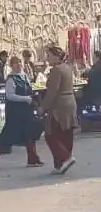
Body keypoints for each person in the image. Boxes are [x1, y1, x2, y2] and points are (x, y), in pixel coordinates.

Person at [0, 56, 42, 168]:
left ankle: (33, 159)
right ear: (12, 66)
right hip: (15, 112)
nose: (19, 65)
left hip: (26, 111)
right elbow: (10, 96)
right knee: (8, 137)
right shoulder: (11, 79)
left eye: (20, 62)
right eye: (16, 63)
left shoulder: (25, 76)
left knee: (30, 134)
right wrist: (26, 99)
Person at [40, 46, 78, 175]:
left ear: (57, 57)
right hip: (70, 102)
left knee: (50, 135)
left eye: (49, 55)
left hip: (59, 106)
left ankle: (65, 158)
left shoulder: (56, 69)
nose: (47, 58)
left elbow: (52, 92)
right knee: (66, 134)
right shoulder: (67, 68)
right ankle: (60, 165)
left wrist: (43, 107)